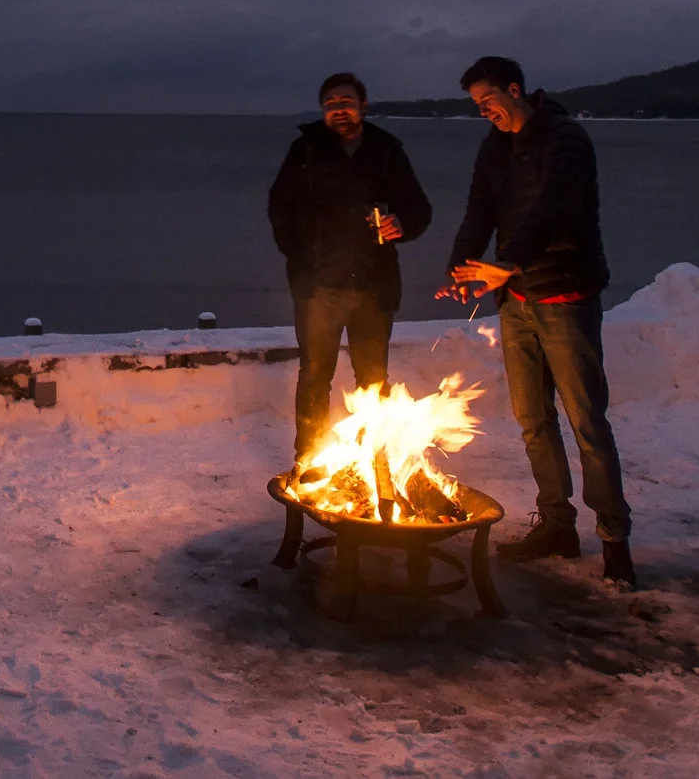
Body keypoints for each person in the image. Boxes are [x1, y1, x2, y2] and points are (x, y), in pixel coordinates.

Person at [442, 55, 636, 591]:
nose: (485, 114)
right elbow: (480, 209)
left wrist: (508, 263)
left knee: (587, 423)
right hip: (518, 300)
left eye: (489, 102)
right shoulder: (494, 148)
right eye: (477, 108)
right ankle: (556, 525)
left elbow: (554, 209)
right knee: (532, 420)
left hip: (566, 294)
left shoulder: (566, 140)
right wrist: (460, 267)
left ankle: (615, 540)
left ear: (515, 89)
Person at [267, 71, 433, 472]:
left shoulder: (386, 150)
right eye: (330, 104)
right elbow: (279, 209)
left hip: (374, 289)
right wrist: (302, 260)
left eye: (346, 101)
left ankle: (373, 465)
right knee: (314, 377)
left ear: (363, 106)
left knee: (373, 381)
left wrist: (401, 226)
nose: (338, 110)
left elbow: (419, 209)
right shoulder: (305, 150)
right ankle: (309, 461)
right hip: (319, 288)